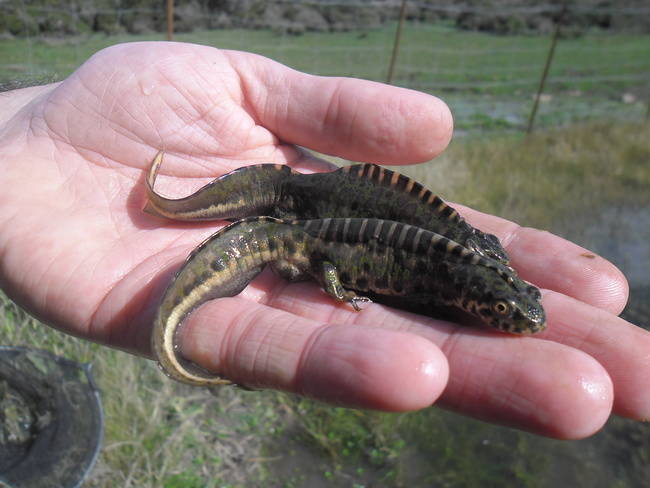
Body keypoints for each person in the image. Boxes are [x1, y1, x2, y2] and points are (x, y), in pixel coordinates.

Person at [0, 42, 646, 440]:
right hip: (324, 233)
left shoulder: (472, 269)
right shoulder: (434, 268)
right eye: (505, 310)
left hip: (335, 230)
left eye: (509, 309)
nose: (510, 318)